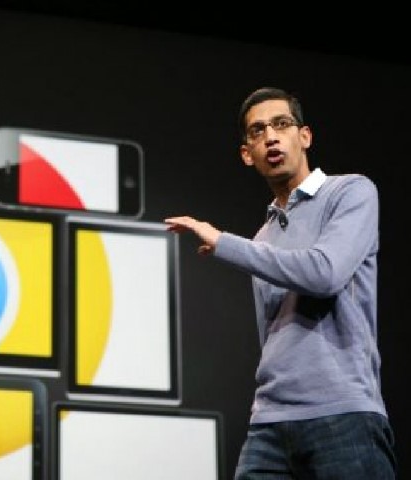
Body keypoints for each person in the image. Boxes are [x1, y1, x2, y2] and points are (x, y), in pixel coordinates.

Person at [165, 87, 396, 479]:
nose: (270, 137)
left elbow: (324, 274)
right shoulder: (263, 238)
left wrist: (223, 242)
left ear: (304, 136)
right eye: (258, 131)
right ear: (247, 154)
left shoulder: (350, 192)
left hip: (343, 415)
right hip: (269, 423)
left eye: (281, 124)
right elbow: (271, 332)